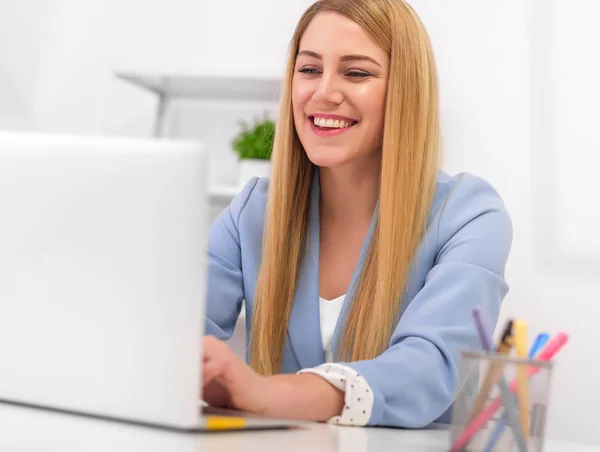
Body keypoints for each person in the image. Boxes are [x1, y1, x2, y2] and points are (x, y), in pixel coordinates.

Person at [202, 0, 512, 428]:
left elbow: (428, 367)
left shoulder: (470, 214)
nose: (324, 91)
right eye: (309, 70)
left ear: (406, 90)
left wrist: (267, 393)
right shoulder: (253, 211)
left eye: (357, 72)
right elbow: (179, 326)